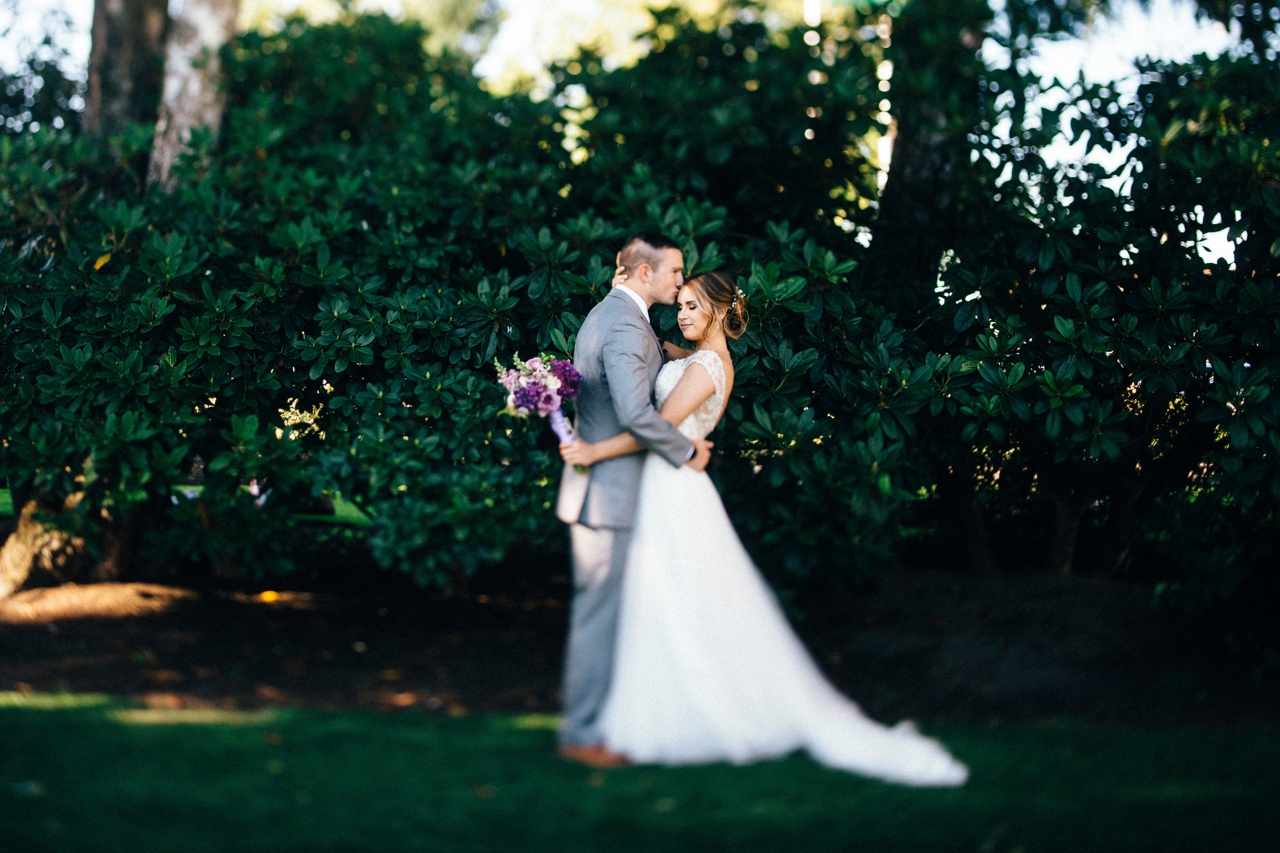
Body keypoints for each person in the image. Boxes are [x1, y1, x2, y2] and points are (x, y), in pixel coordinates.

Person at [559, 271, 969, 787]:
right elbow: (653, 351)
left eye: (692, 306)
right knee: (666, 595)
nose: (681, 314)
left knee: (678, 594)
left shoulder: (707, 366)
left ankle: (697, 706)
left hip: (673, 489)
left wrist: (594, 450)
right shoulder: (693, 359)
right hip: (666, 485)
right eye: (679, 305)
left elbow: (655, 428)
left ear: (718, 311)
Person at [554, 233, 714, 769]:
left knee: (607, 615)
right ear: (646, 273)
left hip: (604, 490)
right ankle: (581, 735)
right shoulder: (624, 322)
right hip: (608, 494)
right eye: (675, 271)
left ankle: (603, 722)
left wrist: (691, 354)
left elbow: (647, 359)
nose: (680, 280)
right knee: (598, 618)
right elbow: (635, 414)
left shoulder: (615, 315)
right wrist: (687, 449)